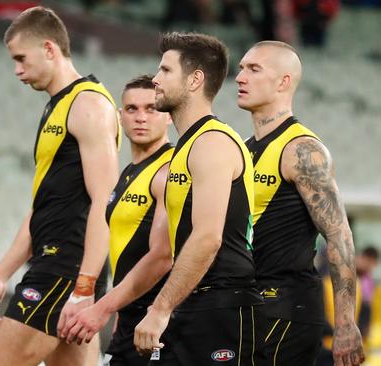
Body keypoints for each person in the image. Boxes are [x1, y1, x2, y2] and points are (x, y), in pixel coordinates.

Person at [0, 6, 120, 366]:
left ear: (50, 49)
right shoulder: (56, 108)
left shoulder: (87, 104)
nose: (17, 70)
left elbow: (107, 200)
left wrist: (85, 286)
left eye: (21, 59)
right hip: (57, 262)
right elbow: (42, 209)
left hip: (65, 267)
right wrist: (1, 276)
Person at [133, 32, 264, 365]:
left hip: (221, 307)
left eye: (165, 70)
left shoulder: (212, 143)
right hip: (195, 301)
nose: (155, 79)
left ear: (194, 80)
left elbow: (208, 238)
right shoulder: (188, 146)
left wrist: (160, 309)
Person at [236, 40, 364, 365]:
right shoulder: (244, 148)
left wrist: (346, 323)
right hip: (248, 306)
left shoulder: (302, 149)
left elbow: (339, 236)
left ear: (283, 82)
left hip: (286, 310)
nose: (240, 77)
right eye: (240, 68)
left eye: (253, 69)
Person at [59, 75, 174, 366]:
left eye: (151, 108)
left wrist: (103, 307)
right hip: (129, 316)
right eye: (132, 109)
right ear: (120, 117)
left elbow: (163, 256)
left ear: (169, 115)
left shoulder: (170, 170)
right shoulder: (127, 173)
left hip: (160, 322)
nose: (141, 117)